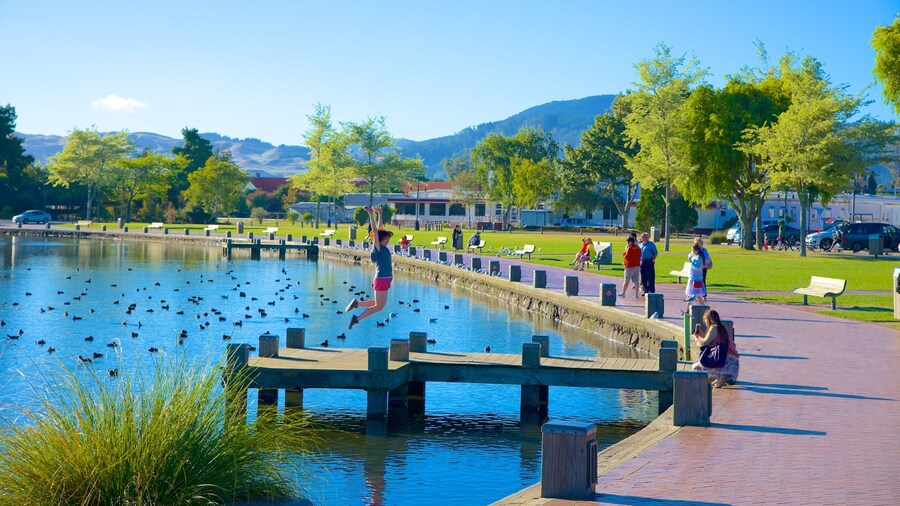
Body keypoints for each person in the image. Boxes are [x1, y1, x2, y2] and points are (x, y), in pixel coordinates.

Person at [346, 206, 393, 330]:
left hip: (385, 279)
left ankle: (356, 304)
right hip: (382, 279)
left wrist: (380, 214)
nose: (387, 240)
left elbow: (380, 229)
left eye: (388, 239)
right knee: (379, 307)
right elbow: (376, 232)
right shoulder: (377, 248)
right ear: (379, 240)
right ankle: (356, 319)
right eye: (386, 239)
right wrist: (371, 215)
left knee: (378, 304)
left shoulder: (382, 247)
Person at [692, 309, 740, 388]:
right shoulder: (724, 329)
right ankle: (720, 379)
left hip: (722, 363)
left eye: (705, 320)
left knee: (696, 367)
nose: (704, 322)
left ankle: (702, 388)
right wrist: (701, 334)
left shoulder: (714, 328)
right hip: (733, 367)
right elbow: (715, 340)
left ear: (708, 319)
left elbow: (703, 344)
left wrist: (696, 338)